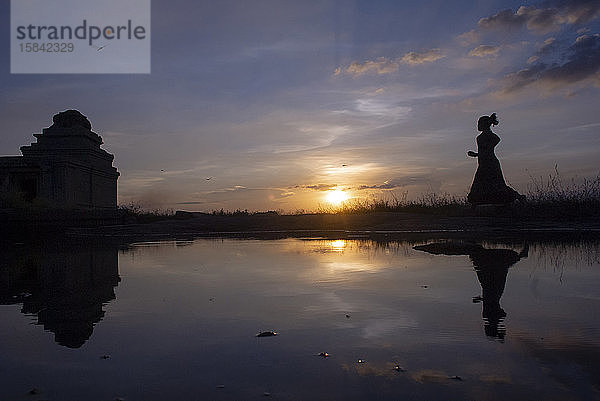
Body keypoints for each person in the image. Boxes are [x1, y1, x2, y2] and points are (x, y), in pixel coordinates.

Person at [467, 113, 523, 205]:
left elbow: (496, 140)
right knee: (485, 185)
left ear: (484, 124)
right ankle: (482, 204)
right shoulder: (480, 137)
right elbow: (484, 151)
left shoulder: (490, 136)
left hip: (490, 164)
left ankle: (518, 197)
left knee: (496, 185)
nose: (477, 125)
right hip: (484, 163)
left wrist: (483, 151)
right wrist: (476, 154)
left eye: (479, 123)